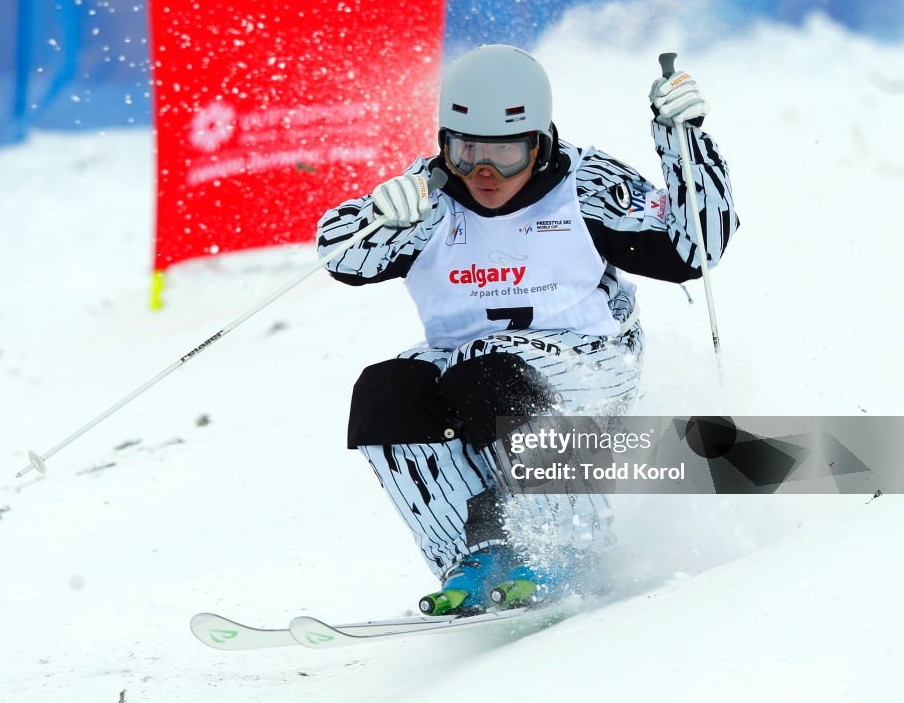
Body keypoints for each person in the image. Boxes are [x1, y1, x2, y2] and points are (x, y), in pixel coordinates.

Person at [316, 44, 738, 615]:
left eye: (507, 154)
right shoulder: (430, 197)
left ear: (538, 144)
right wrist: (373, 219)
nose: (485, 174)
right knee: (384, 391)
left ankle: (562, 545)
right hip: (471, 367)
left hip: (592, 366)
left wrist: (684, 141)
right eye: (466, 152)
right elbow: (342, 259)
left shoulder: (583, 185)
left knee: (487, 368)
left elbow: (695, 248)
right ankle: (477, 556)